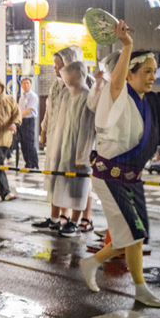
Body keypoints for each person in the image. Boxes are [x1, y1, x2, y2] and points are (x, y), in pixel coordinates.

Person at [79, 22, 160, 308]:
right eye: (147, 71)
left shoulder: (153, 103)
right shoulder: (116, 96)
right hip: (109, 176)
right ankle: (139, 288)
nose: (152, 77)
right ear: (130, 72)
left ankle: (95, 265)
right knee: (132, 233)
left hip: (131, 177)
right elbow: (118, 81)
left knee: (135, 234)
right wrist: (127, 46)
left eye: (154, 72)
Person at [33, 45, 82, 231]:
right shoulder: (56, 85)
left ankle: (74, 221)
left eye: (58, 64)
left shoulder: (79, 86)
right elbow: (49, 112)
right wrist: (44, 130)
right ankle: (55, 218)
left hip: (72, 141)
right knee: (54, 179)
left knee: (73, 181)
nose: (55, 68)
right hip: (55, 139)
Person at [48, 62, 96, 237]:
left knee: (79, 188)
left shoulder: (86, 97)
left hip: (79, 152)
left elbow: (88, 131)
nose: (66, 79)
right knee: (65, 186)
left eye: (70, 75)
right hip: (65, 149)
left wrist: (82, 157)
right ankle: (65, 219)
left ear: (78, 75)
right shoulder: (68, 96)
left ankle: (75, 221)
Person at [17, 77, 39, 169]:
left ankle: (34, 164)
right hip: (21, 121)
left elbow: (29, 110)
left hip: (29, 121)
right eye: (24, 83)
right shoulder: (21, 97)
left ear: (31, 85)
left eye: (27, 83)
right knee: (23, 143)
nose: (25, 85)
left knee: (29, 143)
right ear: (21, 85)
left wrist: (18, 118)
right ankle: (27, 163)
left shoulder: (33, 96)